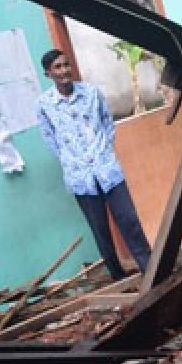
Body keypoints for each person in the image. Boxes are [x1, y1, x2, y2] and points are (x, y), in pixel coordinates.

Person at [35, 48, 152, 281]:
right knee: (101, 230)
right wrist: (72, 160)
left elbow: (108, 123)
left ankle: (150, 269)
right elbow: (50, 139)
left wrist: (103, 151)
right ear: (48, 73)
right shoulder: (44, 105)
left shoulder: (90, 93)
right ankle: (118, 278)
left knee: (129, 221)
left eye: (66, 64)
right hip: (80, 177)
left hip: (107, 169)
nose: (64, 70)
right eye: (57, 67)